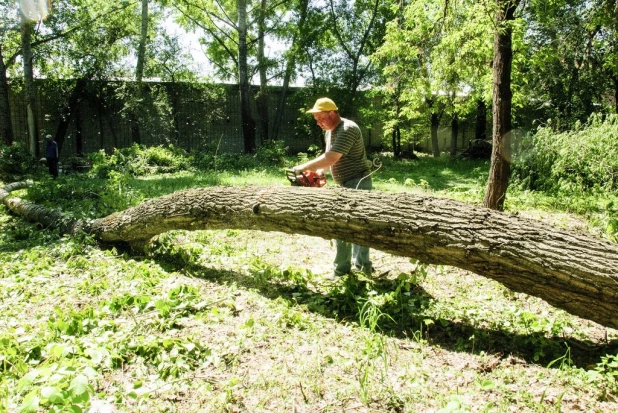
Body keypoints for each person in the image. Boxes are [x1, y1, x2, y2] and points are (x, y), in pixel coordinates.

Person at [293, 97, 374, 277]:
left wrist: (302, 167)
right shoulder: (330, 131)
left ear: (332, 113)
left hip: (358, 182)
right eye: (316, 120)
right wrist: (320, 172)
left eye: (321, 118)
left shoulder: (348, 128)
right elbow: (328, 157)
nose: (319, 123)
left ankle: (361, 268)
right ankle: (344, 269)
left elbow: (331, 157)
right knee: (342, 226)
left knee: (359, 227)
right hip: (344, 184)